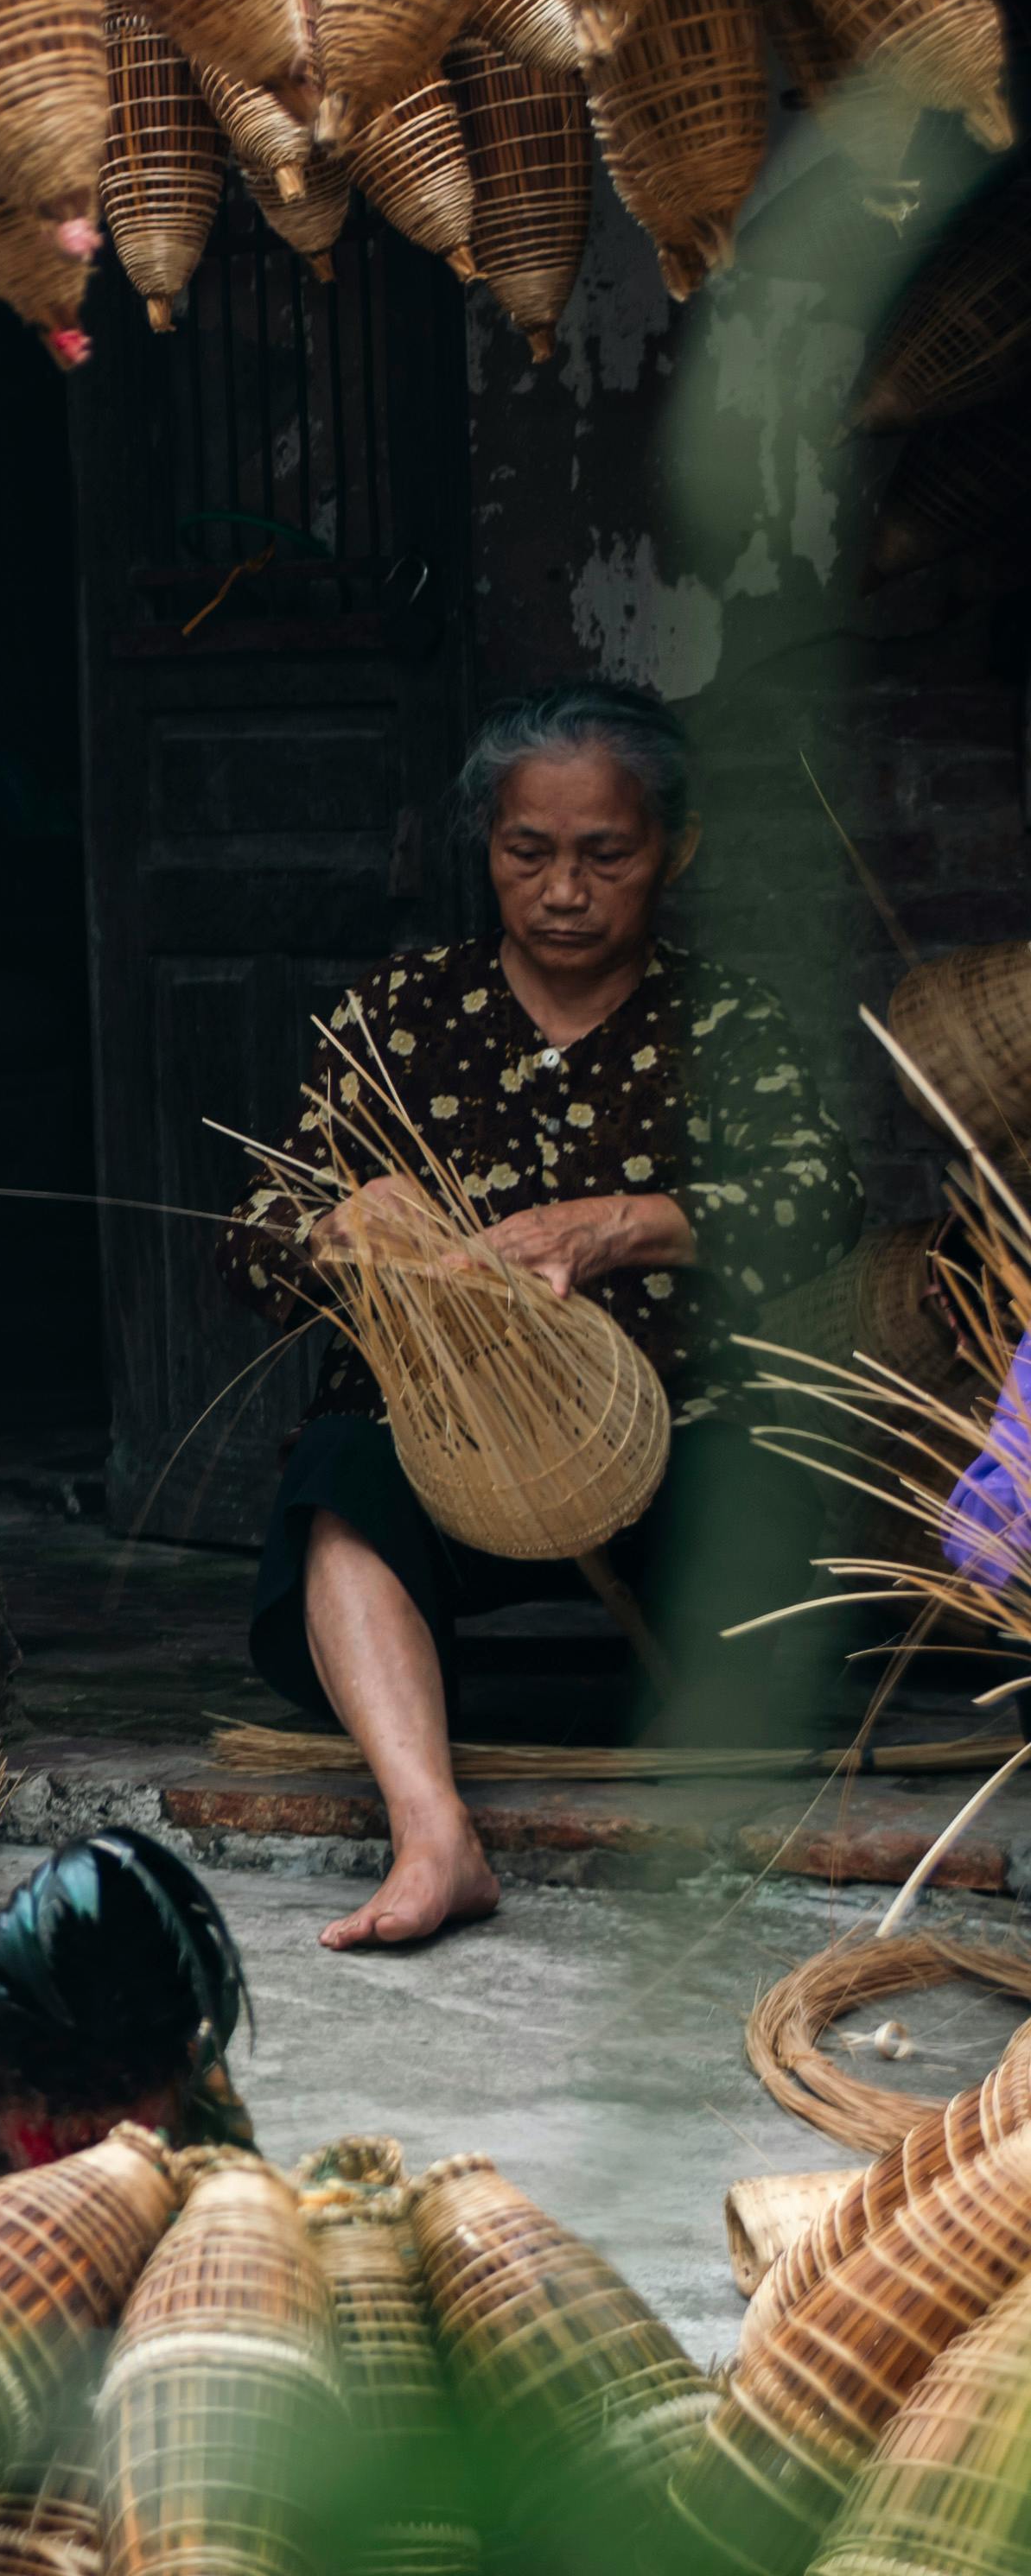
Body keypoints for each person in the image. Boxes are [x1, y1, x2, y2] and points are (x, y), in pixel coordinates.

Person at [222, 682, 853, 1951]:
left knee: (780, 1674)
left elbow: (816, 1197)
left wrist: (618, 1224)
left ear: (675, 849)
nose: (564, 889)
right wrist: (346, 1233)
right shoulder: (400, 1013)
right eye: (529, 852)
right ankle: (433, 1832)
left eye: (604, 855)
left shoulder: (724, 1021)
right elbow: (256, 1234)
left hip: (678, 1436)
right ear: (488, 848)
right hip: (446, 1451)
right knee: (342, 1469)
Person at [0, 1830, 253, 2249]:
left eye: (120, 2119)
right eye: (74, 2130)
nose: (93, 2139)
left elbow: (251, 2212)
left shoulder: (193, 2090)